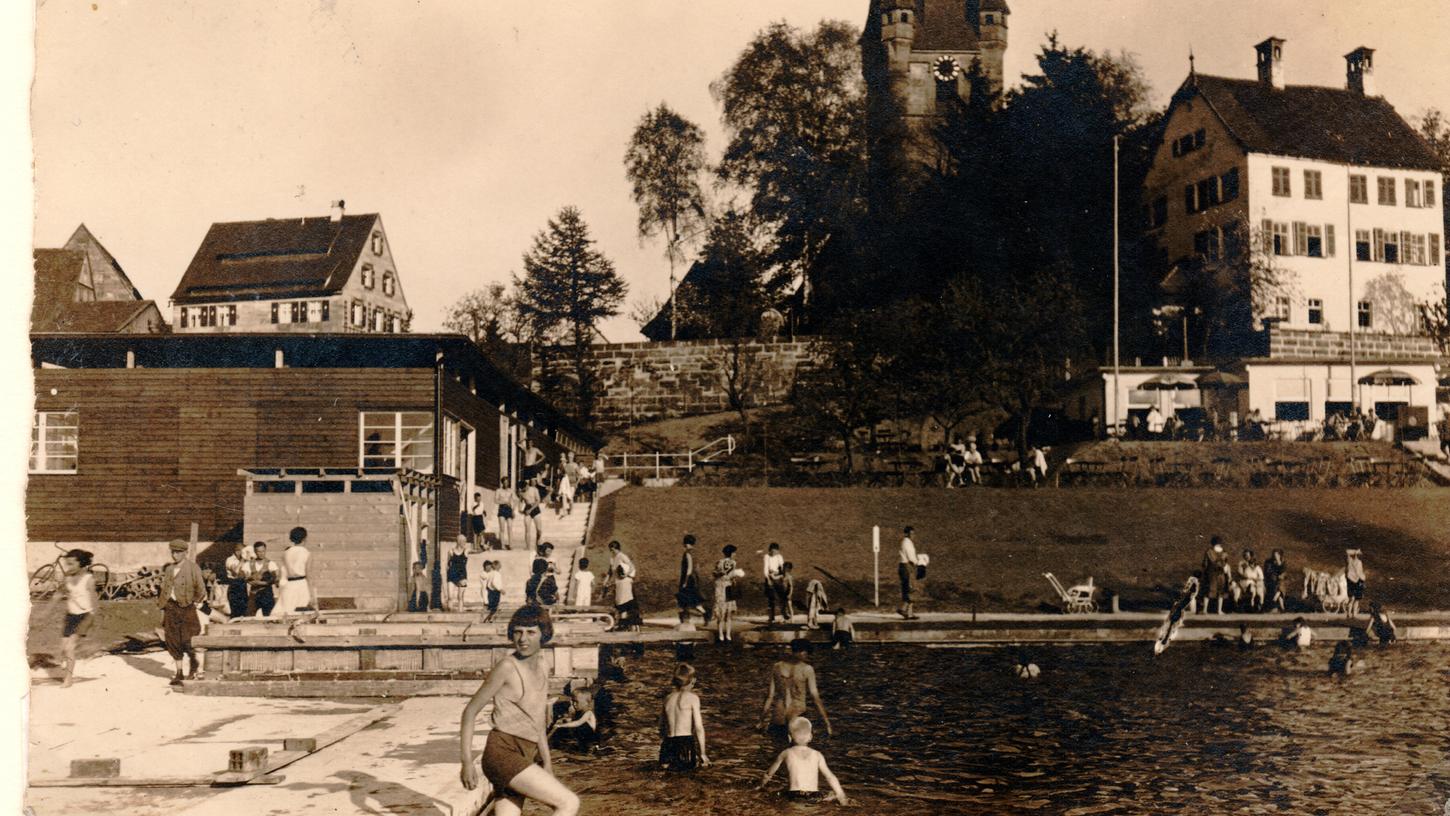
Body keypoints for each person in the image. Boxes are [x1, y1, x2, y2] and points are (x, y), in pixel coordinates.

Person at [459, 606, 579, 816]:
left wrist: (547, 763)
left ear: (544, 634)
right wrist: (467, 762)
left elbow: (538, 720)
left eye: (531, 632)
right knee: (568, 803)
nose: (523, 638)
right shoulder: (507, 667)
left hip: (527, 752)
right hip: (501, 753)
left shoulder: (543, 665)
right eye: (518, 631)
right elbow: (470, 712)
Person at [758, 717, 848, 804]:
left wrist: (761, 786)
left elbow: (769, 774)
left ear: (789, 737)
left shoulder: (786, 753)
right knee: (830, 794)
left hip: (794, 795)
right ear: (810, 737)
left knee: (774, 794)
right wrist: (841, 795)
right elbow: (830, 777)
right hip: (814, 796)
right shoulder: (817, 755)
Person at [761, 638, 832, 742]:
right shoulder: (807, 669)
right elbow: (815, 697)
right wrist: (827, 722)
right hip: (797, 716)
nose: (806, 655)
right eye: (806, 652)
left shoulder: (776, 667)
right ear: (803, 652)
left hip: (778, 716)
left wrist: (761, 720)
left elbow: (770, 696)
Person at [158, 539, 206, 686]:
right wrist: (163, 606)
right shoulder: (169, 569)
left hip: (186, 608)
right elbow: (165, 589)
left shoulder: (193, 568)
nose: (175, 555)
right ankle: (179, 673)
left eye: (178, 552)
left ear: (185, 553)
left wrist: (193, 601)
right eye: (173, 552)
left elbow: (201, 589)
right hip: (171, 608)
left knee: (188, 639)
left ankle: (193, 666)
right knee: (172, 640)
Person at [46, 549, 96, 687]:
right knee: (63, 647)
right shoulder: (67, 577)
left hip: (85, 615)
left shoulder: (88, 579)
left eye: (72, 564)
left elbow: (94, 601)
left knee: (69, 648)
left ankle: (68, 679)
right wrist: (46, 610)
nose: (69, 567)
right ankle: (75, 656)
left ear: (81, 564)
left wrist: (93, 618)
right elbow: (58, 594)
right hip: (70, 616)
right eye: (67, 564)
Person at [658, 663, 710, 771]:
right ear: (693, 680)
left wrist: (666, 744)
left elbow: (661, 726)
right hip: (685, 743)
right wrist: (703, 754)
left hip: (668, 742)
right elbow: (699, 728)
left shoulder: (667, 699)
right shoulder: (693, 698)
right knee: (686, 779)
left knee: (667, 776)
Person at [549, 684, 598, 752]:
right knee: (569, 723)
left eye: (576, 702)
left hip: (590, 737)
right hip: (582, 736)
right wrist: (564, 720)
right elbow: (572, 720)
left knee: (581, 726)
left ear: (586, 702)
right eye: (573, 701)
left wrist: (560, 725)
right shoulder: (579, 711)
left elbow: (578, 723)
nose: (574, 704)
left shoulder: (588, 713)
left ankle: (590, 747)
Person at [280, 526, 313, 616]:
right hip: (302, 585)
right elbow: (308, 574)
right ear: (304, 538)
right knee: (301, 613)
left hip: (289, 585)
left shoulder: (286, 553)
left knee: (287, 611)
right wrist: (312, 593)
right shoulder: (306, 553)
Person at [606, 541, 639, 630]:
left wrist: (626, 574)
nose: (612, 552)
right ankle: (624, 625)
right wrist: (607, 581)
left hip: (625, 583)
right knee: (620, 605)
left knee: (626, 603)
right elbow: (610, 572)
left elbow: (632, 566)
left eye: (613, 550)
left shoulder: (622, 556)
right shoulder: (612, 558)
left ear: (616, 548)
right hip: (618, 584)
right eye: (611, 550)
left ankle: (630, 625)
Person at [712, 545, 740, 642]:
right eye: (734, 553)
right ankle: (728, 635)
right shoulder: (733, 563)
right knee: (728, 612)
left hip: (721, 587)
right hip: (727, 587)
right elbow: (730, 575)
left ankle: (721, 635)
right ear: (731, 553)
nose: (735, 554)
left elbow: (714, 574)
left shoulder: (719, 562)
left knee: (721, 612)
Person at [676, 535, 705, 624]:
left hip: (688, 579)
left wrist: (685, 582)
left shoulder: (687, 553)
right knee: (693, 599)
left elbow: (689, 568)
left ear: (686, 543)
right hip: (694, 579)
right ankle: (705, 613)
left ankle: (685, 619)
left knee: (683, 599)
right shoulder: (695, 553)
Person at [1200, 537, 1231, 615]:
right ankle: (1219, 610)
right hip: (1221, 575)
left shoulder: (1209, 552)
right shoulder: (1224, 552)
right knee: (1221, 592)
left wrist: (1205, 572)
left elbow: (1205, 564)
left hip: (1211, 574)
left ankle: (1204, 610)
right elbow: (1226, 563)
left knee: (1208, 592)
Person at [248, 542, 279, 618]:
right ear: (255, 552)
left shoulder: (271, 564)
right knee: (250, 616)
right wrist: (249, 581)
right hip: (254, 593)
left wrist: (262, 583)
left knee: (269, 616)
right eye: (259, 551)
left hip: (266, 593)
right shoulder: (249, 564)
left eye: (263, 551)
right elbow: (243, 576)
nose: (261, 553)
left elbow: (275, 579)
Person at [898, 526, 922, 620]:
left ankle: (906, 611)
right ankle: (905, 610)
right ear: (907, 534)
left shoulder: (905, 542)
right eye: (911, 533)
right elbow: (911, 557)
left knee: (909, 589)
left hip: (904, 567)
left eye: (913, 533)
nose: (913, 535)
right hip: (907, 567)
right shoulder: (907, 543)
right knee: (911, 589)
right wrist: (918, 564)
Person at [223, 542, 251, 620]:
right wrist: (243, 560)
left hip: (243, 585)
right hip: (234, 585)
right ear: (237, 551)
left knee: (244, 611)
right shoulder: (230, 560)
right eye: (243, 552)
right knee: (235, 611)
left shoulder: (246, 561)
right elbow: (236, 571)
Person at [762, 543, 788, 624]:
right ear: (770, 550)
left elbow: (782, 567)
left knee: (782, 597)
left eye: (775, 551)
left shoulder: (779, 557)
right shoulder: (766, 556)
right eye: (772, 551)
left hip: (778, 577)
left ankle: (784, 616)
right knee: (771, 599)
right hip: (770, 577)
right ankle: (771, 618)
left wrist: (782, 576)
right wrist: (768, 579)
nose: (774, 553)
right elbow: (766, 568)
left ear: (777, 551)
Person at [447, 535, 471, 612]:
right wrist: (447, 574)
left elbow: (476, 551)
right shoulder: (451, 551)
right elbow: (447, 564)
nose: (463, 542)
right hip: (452, 574)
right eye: (462, 541)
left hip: (462, 575)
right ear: (458, 541)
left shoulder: (466, 550)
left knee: (460, 597)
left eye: (464, 541)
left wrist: (484, 548)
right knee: (450, 596)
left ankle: (460, 612)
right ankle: (449, 612)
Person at [520, 480, 544, 551]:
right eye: (522, 488)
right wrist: (520, 509)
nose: (524, 489)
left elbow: (538, 500)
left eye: (524, 488)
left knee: (539, 529)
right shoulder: (522, 492)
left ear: (527, 485)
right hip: (527, 508)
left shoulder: (534, 489)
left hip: (535, 508)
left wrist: (530, 510)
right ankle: (527, 546)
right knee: (527, 529)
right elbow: (520, 501)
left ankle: (538, 544)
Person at [495, 477, 516, 551]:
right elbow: (496, 501)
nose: (506, 483)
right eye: (504, 482)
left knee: (510, 527)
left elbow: (514, 501)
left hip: (509, 509)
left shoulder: (511, 490)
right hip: (502, 509)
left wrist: (513, 510)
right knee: (502, 528)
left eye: (507, 482)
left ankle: (511, 545)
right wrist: (504, 502)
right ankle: (502, 545)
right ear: (502, 483)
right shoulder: (498, 490)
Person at [1344, 549, 1366, 617]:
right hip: (1358, 581)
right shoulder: (1359, 562)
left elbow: (1347, 551)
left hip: (1350, 580)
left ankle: (1348, 614)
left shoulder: (1349, 561)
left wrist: (1355, 551)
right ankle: (1354, 615)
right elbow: (1360, 573)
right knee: (1357, 600)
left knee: (1351, 599)